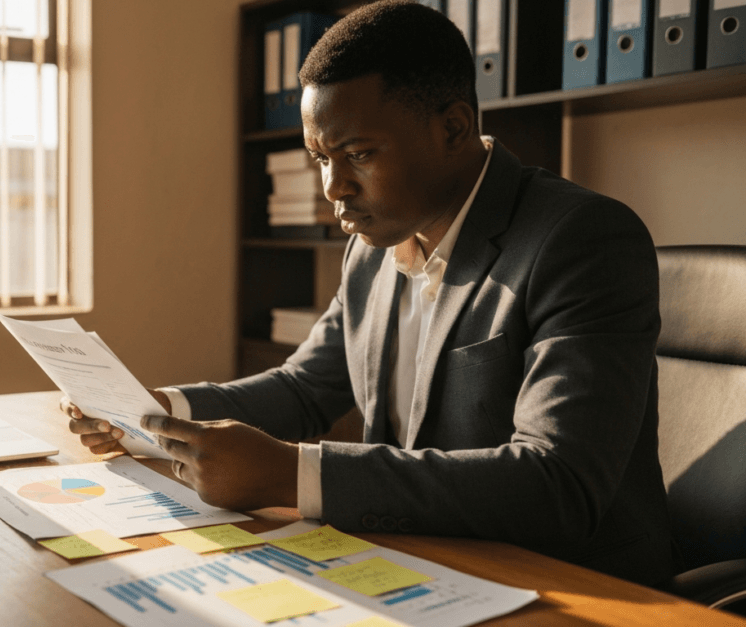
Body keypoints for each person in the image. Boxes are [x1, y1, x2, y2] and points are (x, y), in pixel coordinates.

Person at [65, 0, 674, 586]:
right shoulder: (372, 249)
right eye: (319, 158)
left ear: (454, 128)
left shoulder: (582, 240)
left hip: (571, 584)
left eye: (357, 154)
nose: (334, 187)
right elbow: (304, 389)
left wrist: (293, 474)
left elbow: (558, 483)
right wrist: (158, 413)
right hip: (423, 559)